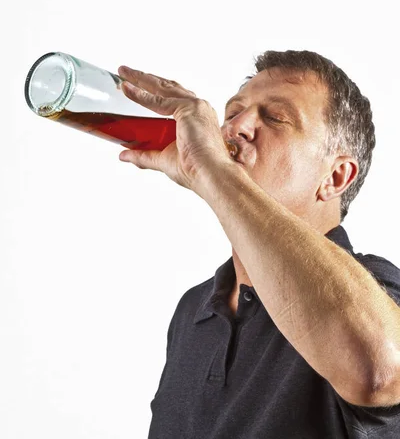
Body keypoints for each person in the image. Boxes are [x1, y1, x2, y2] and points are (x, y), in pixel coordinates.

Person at [118, 50, 400, 439]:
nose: (236, 128)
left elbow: (383, 372)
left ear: (335, 177)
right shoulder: (194, 309)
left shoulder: (379, 290)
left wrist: (214, 169)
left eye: (276, 118)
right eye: (232, 113)